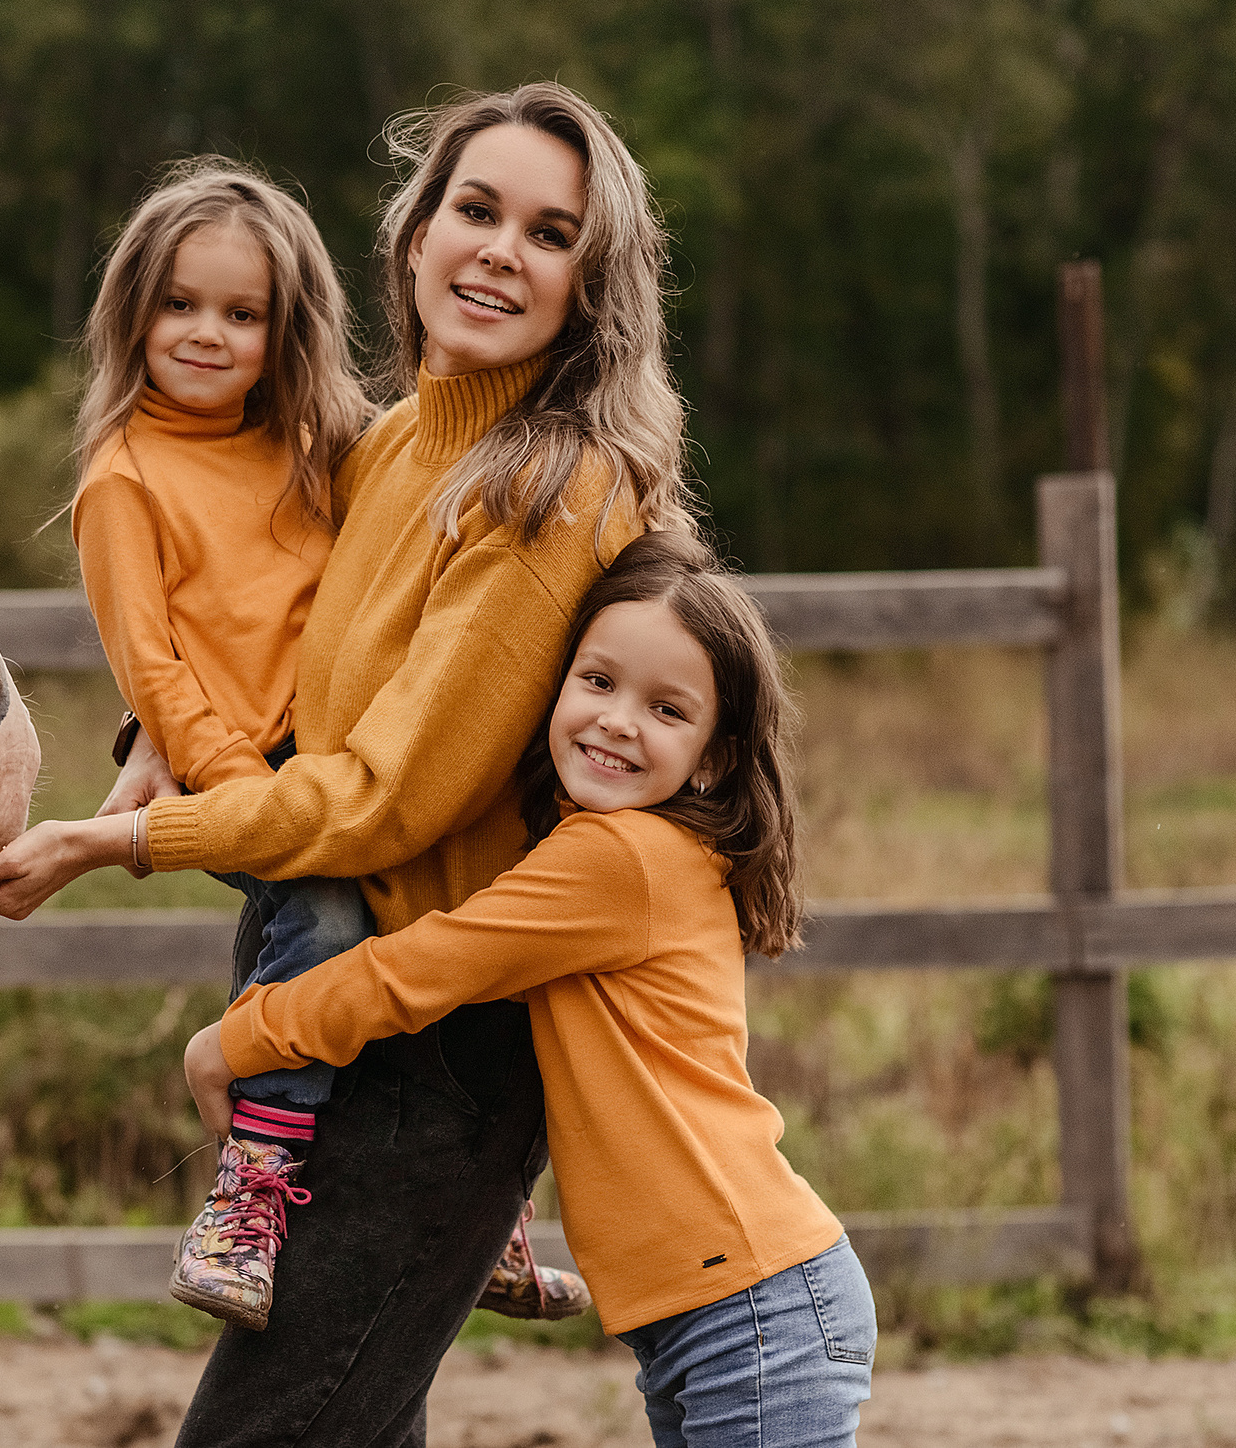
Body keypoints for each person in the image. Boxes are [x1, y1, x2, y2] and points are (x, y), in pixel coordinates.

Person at [0, 82, 692, 1447]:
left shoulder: (550, 487)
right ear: (415, 233)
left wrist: (108, 842)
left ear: (595, 284)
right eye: (477, 206)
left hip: (443, 1028)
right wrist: (162, 731)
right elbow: (289, 659)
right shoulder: (386, 445)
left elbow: (388, 794)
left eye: (552, 231)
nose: (502, 247)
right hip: (341, 982)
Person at [184, 530, 876, 1448]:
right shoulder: (623, 850)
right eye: (597, 681)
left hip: (750, 1307)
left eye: (667, 708)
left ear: (714, 755)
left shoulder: (620, 859)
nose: (618, 720)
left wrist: (242, 1035)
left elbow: (417, 970)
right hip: (727, 1307)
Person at [63, 158, 377, 1328]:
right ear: (131, 309)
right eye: (180, 304)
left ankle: (479, 1202)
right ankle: (248, 1189)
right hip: (247, 775)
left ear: (282, 331)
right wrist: (252, 793)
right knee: (332, 912)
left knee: (446, 918)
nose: (207, 333)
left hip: (349, 760)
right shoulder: (124, 479)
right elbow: (154, 669)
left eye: (241, 314)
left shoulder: (315, 446)